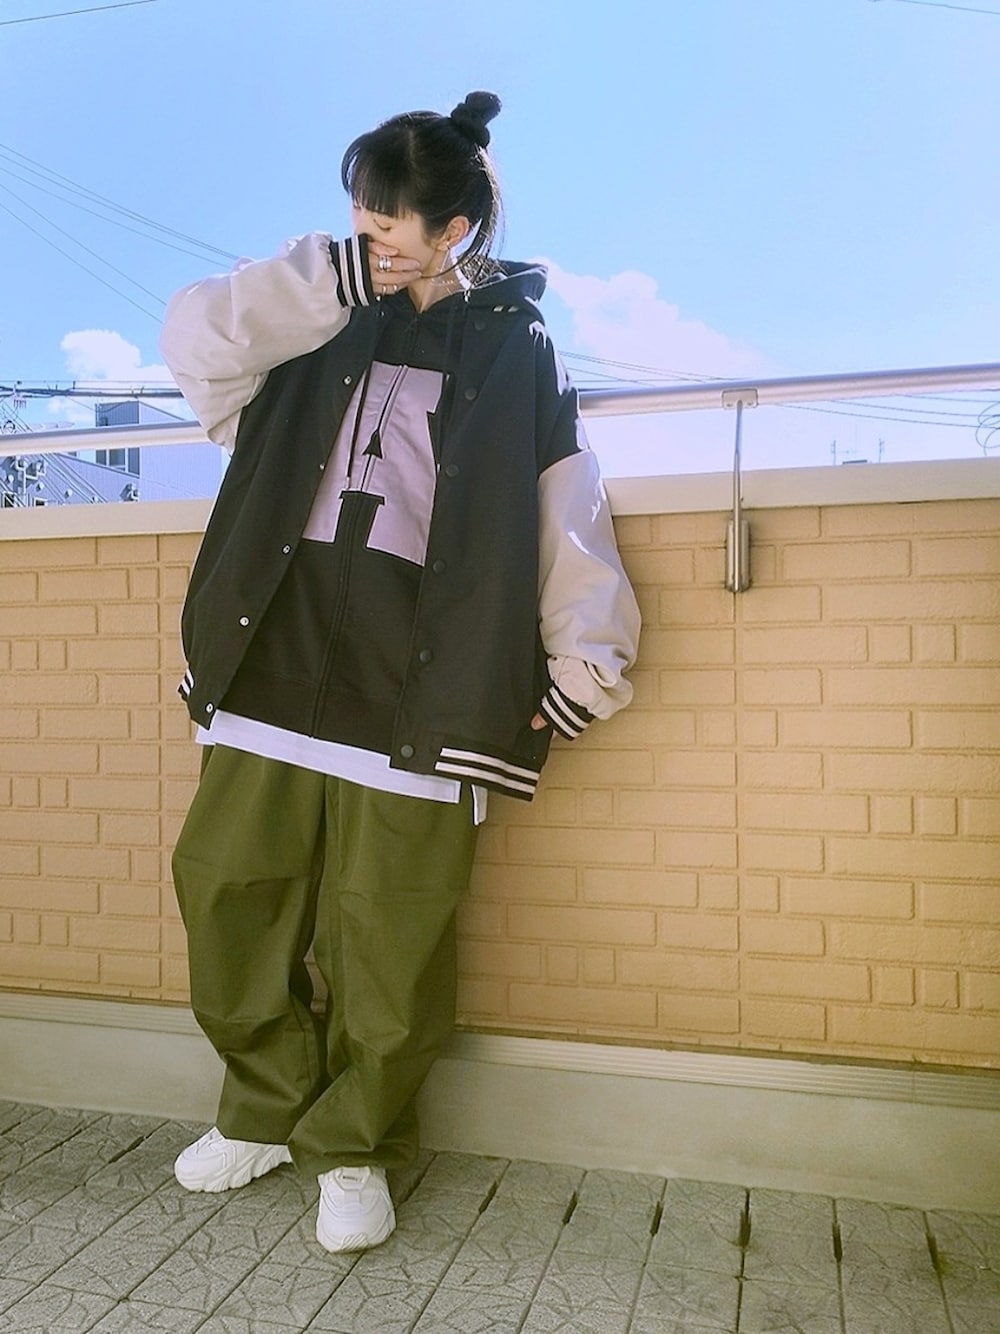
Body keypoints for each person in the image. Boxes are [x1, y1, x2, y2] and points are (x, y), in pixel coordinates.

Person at [160, 90, 640, 1255]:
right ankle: (262, 1106)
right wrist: (317, 282)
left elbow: (564, 503)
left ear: (454, 229)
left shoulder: (516, 348)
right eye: (358, 215)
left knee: (390, 931)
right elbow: (193, 345)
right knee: (226, 887)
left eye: (387, 222)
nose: (366, 236)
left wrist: (585, 659)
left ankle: (355, 1142)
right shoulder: (311, 310)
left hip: (422, 689)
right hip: (272, 660)